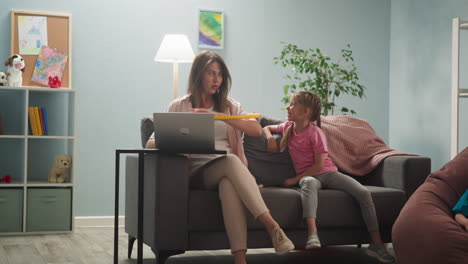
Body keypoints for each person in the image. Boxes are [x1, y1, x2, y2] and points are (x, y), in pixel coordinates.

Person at [146, 50, 294, 264]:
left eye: (220, 74)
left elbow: (256, 130)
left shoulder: (230, 105)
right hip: (196, 173)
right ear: (198, 74)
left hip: (229, 173)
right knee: (231, 162)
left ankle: (240, 259)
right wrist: (173, 138)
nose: (217, 79)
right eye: (211, 73)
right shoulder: (179, 106)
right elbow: (150, 143)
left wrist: (221, 117)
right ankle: (272, 226)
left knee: (228, 184)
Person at [263, 90, 395, 263]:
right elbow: (266, 127)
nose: (288, 107)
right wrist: (270, 139)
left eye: (293, 104)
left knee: (363, 193)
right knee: (309, 183)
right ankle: (313, 235)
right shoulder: (288, 126)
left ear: (306, 112)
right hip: (310, 178)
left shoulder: (315, 133)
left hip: (328, 173)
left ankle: (376, 244)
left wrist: (294, 180)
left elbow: (319, 165)